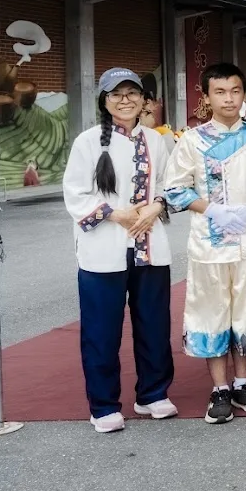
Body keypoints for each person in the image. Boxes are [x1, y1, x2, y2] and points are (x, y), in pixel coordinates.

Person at [63, 68, 177, 432]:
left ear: (145, 100)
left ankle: (153, 394)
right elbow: (75, 194)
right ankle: (103, 404)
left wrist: (158, 204)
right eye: (116, 94)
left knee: (155, 324)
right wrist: (115, 213)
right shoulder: (87, 142)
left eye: (132, 93)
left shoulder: (159, 141)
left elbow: (169, 183)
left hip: (150, 246)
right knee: (101, 330)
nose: (125, 100)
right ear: (104, 100)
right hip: (104, 247)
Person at [163, 62, 246, 424]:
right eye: (220, 92)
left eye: (235, 91)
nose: (229, 99)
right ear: (207, 96)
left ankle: (243, 382)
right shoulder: (192, 140)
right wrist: (212, 210)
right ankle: (219, 389)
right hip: (209, 243)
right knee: (212, 313)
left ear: (245, 94)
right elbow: (175, 189)